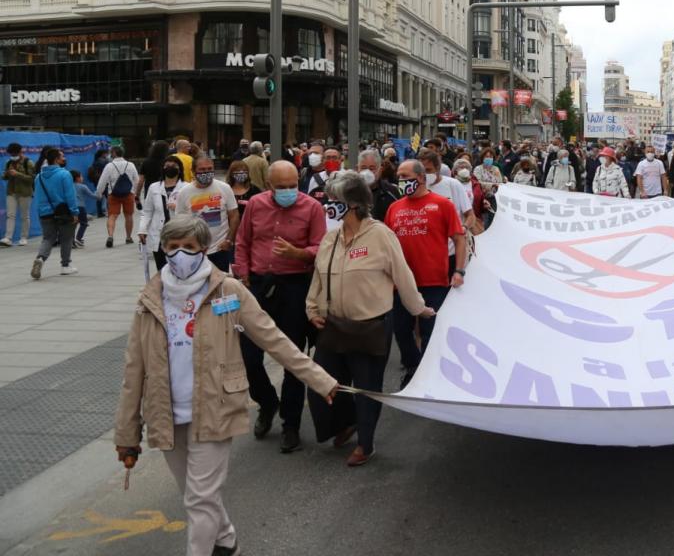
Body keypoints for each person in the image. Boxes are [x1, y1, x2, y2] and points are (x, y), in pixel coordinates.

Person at [114, 215, 337, 556]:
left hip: (215, 408)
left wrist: (320, 380)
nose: (179, 254)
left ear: (204, 249)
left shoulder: (228, 290)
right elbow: (134, 369)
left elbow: (273, 339)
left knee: (199, 499)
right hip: (166, 411)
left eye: (188, 247)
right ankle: (227, 539)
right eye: (172, 247)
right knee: (195, 493)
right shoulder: (150, 297)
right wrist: (127, 434)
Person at [306, 173, 434, 467]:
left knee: (366, 387)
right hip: (333, 325)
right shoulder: (331, 238)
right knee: (320, 384)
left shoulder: (380, 235)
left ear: (352, 204)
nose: (328, 205)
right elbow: (318, 277)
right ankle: (344, 423)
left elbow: (403, 275)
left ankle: (365, 443)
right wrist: (312, 309)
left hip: (370, 327)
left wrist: (418, 309)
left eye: (334, 200)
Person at [233, 160, 327, 453]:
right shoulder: (257, 205)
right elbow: (243, 241)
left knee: (293, 358)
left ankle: (291, 424)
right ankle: (267, 402)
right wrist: (244, 275)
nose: (288, 192)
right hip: (259, 286)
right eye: (281, 187)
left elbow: (320, 248)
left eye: (292, 187)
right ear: (270, 186)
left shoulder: (311, 207)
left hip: (294, 286)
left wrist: (299, 253)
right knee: (248, 355)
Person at [385, 160, 466, 388]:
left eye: (405, 176)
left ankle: (432, 376)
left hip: (434, 282)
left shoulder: (442, 205)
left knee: (431, 333)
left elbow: (459, 240)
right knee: (401, 331)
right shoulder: (395, 207)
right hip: (402, 284)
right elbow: (386, 245)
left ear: (420, 178)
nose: (401, 181)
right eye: (398, 177)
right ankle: (414, 368)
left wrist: (459, 271)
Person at [174, 156, 240, 272]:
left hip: (220, 249)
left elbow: (234, 215)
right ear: (194, 171)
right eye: (202, 170)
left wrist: (229, 240)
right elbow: (180, 222)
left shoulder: (224, 188)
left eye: (210, 169)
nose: (206, 172)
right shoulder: (184, 192)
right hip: (195, 250)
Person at [30, 147, 79, 280]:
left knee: (48, 238)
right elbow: (70, 195)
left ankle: (40, 258)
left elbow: (38, 196)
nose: (64, 158)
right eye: (62, 156)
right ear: (56, 159)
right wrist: (75, 212)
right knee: (66, 238)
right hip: (63, 212)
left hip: (44, 213)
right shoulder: (64, 174)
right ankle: (65, 266)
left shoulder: (39, 177)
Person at [139, 155, 186, 270]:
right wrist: (142, 229)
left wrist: (178, 207)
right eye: (167, 166)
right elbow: (147, 211)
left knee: (180, 269)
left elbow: (193, 212)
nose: (170, 168)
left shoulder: (187, 187)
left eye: (174, 166)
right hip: (160, 235)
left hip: (180, 234)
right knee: (162, 270)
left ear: (179, 169)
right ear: (162, 169)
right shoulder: (154, 187)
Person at [95, 145, 140, 248]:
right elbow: (136, 181)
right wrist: (136, 194)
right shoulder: (131, 165)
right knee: (128, 215)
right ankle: (128, 237)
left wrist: (99, 193)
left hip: (113, 194)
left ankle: (110, 236)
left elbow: (102, 181)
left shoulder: (109, 166)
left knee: (112, 216)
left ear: (114, 153)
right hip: (129, 194)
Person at [1, 142, 35, 246]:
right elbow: (4, 177)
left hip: (25, 193)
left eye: (15, 154)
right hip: (11, 192)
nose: (13, 156)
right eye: (11, 154)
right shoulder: (8, 162)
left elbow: (32, 179)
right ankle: (8, 238)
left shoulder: (28, 162)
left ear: (21, 152)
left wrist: (18, 174)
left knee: (25, 216)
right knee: (10, 215)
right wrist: (7, 174)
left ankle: (24, 237)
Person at [357, 149, 400, 221]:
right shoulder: (350, 192)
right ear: (357, 169)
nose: (367, 172)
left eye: (372, 168)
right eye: (363, 168)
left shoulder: (391, 192)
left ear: (380, 170)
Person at [472, 148, 504, 228]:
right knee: (484, 221)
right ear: (482, 158)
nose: (488, 158)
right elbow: (477, 183)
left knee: (493, 220)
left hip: (494, 198)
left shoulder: (496, 169)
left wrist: (496, 184)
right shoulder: (478, 169)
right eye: (486, 156)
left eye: (491, 157)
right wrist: (491, 185)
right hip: (482, 198)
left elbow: (499, 182)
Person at [72, 170, 98, 248]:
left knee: (73, 224)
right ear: (77, 178)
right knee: (84, 223)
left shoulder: (69, 186)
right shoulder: (83, 186)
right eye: (81, 176)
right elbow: (92, 195)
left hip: (71, 207)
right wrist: (99, 194)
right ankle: (78, 238)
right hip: (80, 207)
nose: (82, 178)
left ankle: (71, 240)